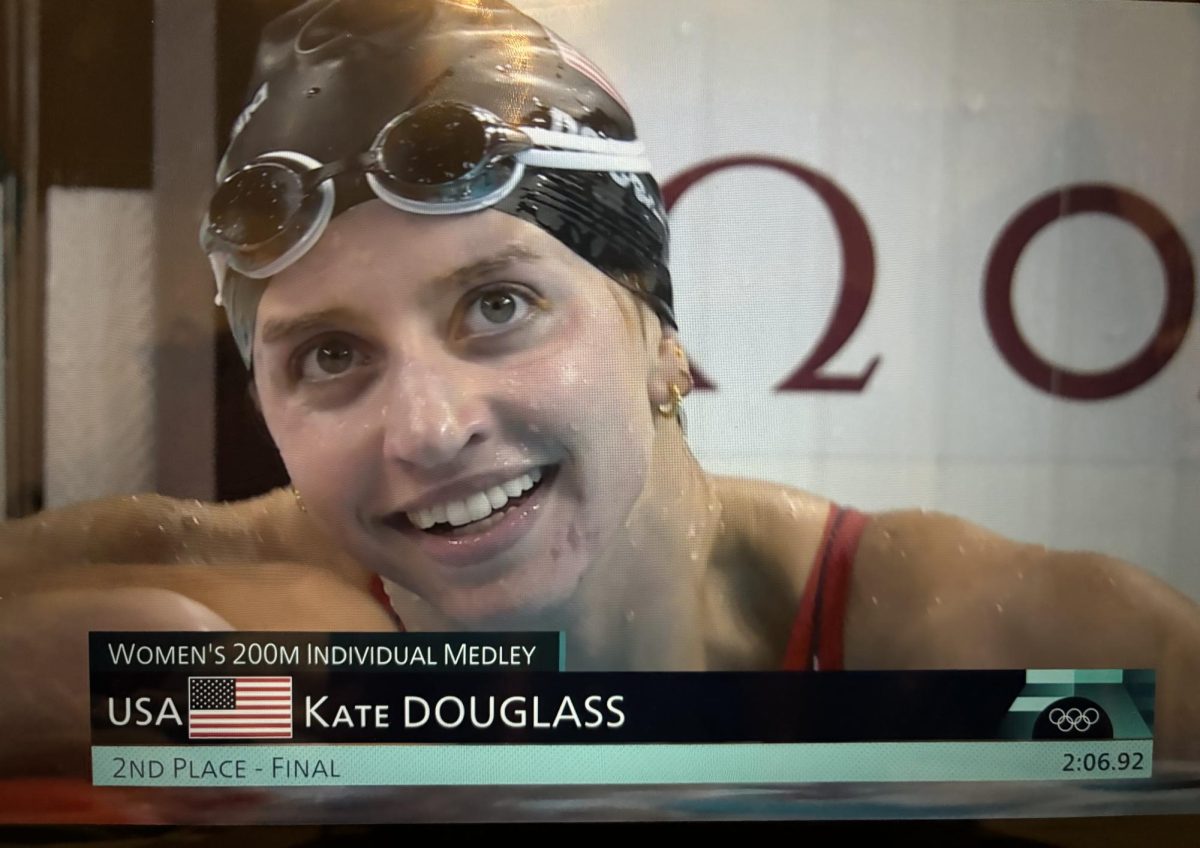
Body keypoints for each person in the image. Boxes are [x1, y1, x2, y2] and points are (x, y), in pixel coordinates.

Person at [2, 0, 1199, 779]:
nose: (429, 427)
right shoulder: (226, 593)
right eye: (328, 355)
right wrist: (188, 696)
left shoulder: (968, 631)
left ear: (662, 337)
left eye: (498, 305)